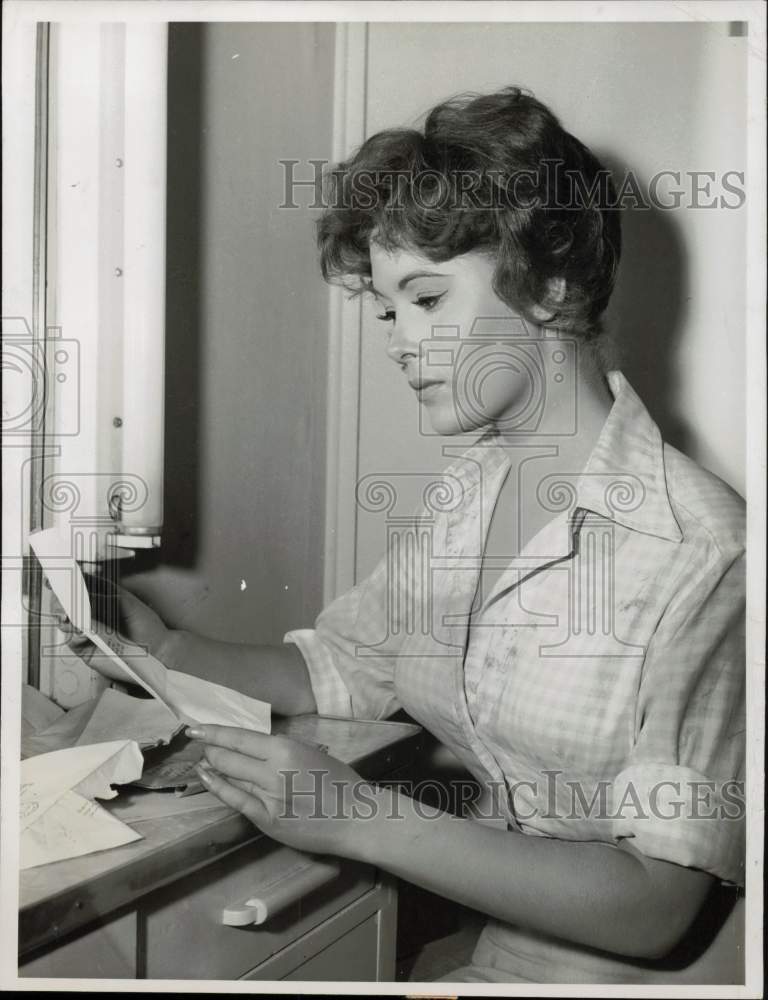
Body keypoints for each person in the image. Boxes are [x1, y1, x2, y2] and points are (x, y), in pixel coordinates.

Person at [60, 87, 746, 984]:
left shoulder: (704, 549)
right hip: (496, 957)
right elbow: (345, 667)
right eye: (388, 310)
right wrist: (164, 646)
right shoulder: (469, 496)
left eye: (426, 297)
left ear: (551, 282)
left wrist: (359, 816)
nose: (398, 340)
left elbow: (654, 906)